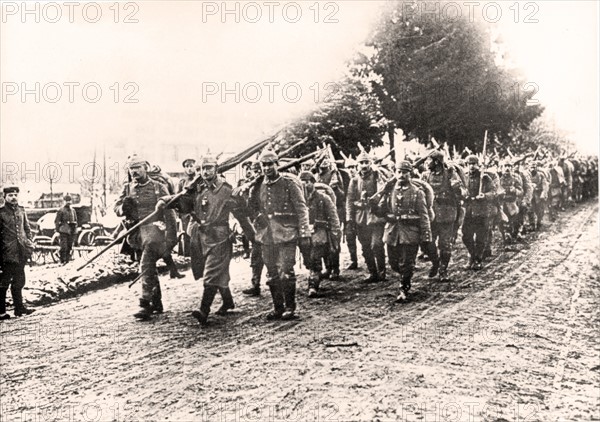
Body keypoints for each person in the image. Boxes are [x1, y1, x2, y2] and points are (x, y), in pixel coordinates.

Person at [164, 154, 255, 326]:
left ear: (216, 169)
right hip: (201, 237)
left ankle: (204, 310)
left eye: (209, 168)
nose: (205, 172)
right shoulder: (196, 189)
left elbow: (242, 215)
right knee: (215, 271)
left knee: (211, 274)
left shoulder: (227, 190)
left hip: (219, 237)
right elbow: (182, 204)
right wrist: (165, 201)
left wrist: (253, 237)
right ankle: (227, 301)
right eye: (202, 169)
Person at [249, 149, 311, 320]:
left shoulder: (289, 183)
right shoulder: (258, 184)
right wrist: (257, 217)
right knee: (271, 272)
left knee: (285, 270)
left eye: (270, 164)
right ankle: (278, 307)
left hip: (286, 233)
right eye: (264, 165)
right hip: (266, 235)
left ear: (277, 164)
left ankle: (290, 307)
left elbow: (301, 207)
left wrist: (304, 231)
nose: (267, 168)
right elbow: (252, 206)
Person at [114, 155, 178, 320]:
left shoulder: (158, 187)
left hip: (154, 232)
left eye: (138, 167)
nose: (134, 171)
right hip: (136, 234)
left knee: (145, 265)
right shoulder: (128, 188)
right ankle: (157, 303)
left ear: (146, 167)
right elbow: (116, 208)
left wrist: (172, 237)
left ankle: (145, 303)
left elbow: (170, 212)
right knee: (148, 267)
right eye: (131, 168)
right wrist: (123, 209)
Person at [374, 161, 431, 302]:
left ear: (410, 174)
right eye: (398, 172)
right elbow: (381, 210)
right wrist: (373, 204)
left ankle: (404, 287)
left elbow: (424, 215)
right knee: (393, 262)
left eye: (404, 172)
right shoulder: (389, 190)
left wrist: (426, 234)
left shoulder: (417, 193)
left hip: (410, 232)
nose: (401, 175)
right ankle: (404, 276)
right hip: (392, 232)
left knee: (407, 262)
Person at [423, 151, 466, 281]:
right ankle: (436, 262)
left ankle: (443, 270)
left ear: (436, 162)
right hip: (431, 215)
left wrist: (456, 185)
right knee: (427, 243)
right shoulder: (425, 175)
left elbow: (461, 192)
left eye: (429, 160)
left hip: (447, 214)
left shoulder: (450, 174)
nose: (426, 163)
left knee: (445, 244)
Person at [346, 151, 387, 283]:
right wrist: (349, 219)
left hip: (375, 216)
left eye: (366, 162)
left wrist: (378, 206)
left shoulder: (377, 176)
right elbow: (350, 200)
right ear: (357, 165)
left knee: (377, 244)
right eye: (361, 163)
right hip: (361, 217)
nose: (364, 165)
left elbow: (383, 193)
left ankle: (382, 271)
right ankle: (372, 272)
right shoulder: (354, 180)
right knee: (365, 246)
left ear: (371, 163)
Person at [299, 171, 341, 297]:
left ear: (313, 182)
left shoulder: (323, 198)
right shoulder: (298, 199)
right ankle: (319, 272)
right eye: (302, 182)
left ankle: (313, 285)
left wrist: (335, 233)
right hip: (304, 234)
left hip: (320, 233)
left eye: (307, 181)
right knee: (308, 259)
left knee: (315, 258)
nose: (305, 185)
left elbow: (334, 217)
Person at [0, 186, 35, 319]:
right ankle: (1, 312)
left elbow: (27, 228)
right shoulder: (1, 212)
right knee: (3, 283)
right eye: (10, 195)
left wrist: (29, 243)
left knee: (19, 281)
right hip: (6, 254)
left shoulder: (21, 210)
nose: (14, 197)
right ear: (5, 197)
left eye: (15, 195)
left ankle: (19, 309)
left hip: (21, 252)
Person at [462, 155, 498, 270]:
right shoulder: (465, 177)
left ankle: (478, 259)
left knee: (481, 237)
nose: (471, 166)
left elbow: (494, 192)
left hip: (482, 210)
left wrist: (485, 196)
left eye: (474, 164)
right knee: (466, 236)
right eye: (469, 164)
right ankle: (472, 255)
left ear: (478, 165)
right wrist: (463, 194)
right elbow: (460, 191)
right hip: (469, 211)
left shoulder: (485, 177)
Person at [315, 157, 344, 281]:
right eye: (321, 161)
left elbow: (334, 188)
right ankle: (328, 267)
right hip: (319, 211)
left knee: (333, 241)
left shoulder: (334, 174)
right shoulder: (316, 175)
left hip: (333, 207)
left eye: (325, 161)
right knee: (323, 243)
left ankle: (335, 269)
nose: (323, 163)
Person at [176, 158, 198, 257]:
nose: (189, 169)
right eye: (187, 166)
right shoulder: (182, 182)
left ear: (195, 167)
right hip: (185, 212)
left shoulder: (199, 179)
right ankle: (186, 254)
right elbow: (177, 197)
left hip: (197, 211)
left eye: (191, 166)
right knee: (185, 233)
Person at [54, 195, 78, 264]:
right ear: (64, 201)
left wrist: (75, 228)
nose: (68, 202)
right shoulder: (61, 210)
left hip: (71, 231)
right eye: (67, 201)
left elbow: (76, 220)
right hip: (63, 231)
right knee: (63, 246)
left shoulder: (73, 211)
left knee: (69, 246)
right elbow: (56, 221)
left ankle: (67, 261)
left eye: (69, 201)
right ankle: (62, 260)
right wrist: (57, 231)